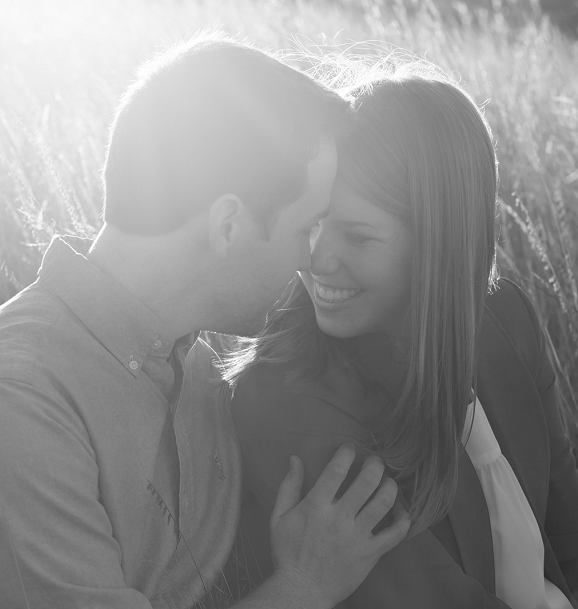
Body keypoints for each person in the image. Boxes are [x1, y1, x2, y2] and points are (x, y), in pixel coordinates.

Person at [0, 35, 411, 609]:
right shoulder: (5, 396)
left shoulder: (194, 365)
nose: (310, 259)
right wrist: (305, 587)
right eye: (307, 228)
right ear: (228, 225)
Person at [228, 67, 578, 608]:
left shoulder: (507, 319)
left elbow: (567, 526)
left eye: (359, 235)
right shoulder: (290, 398)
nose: (315, 258)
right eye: (314, 221)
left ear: (441, 242)